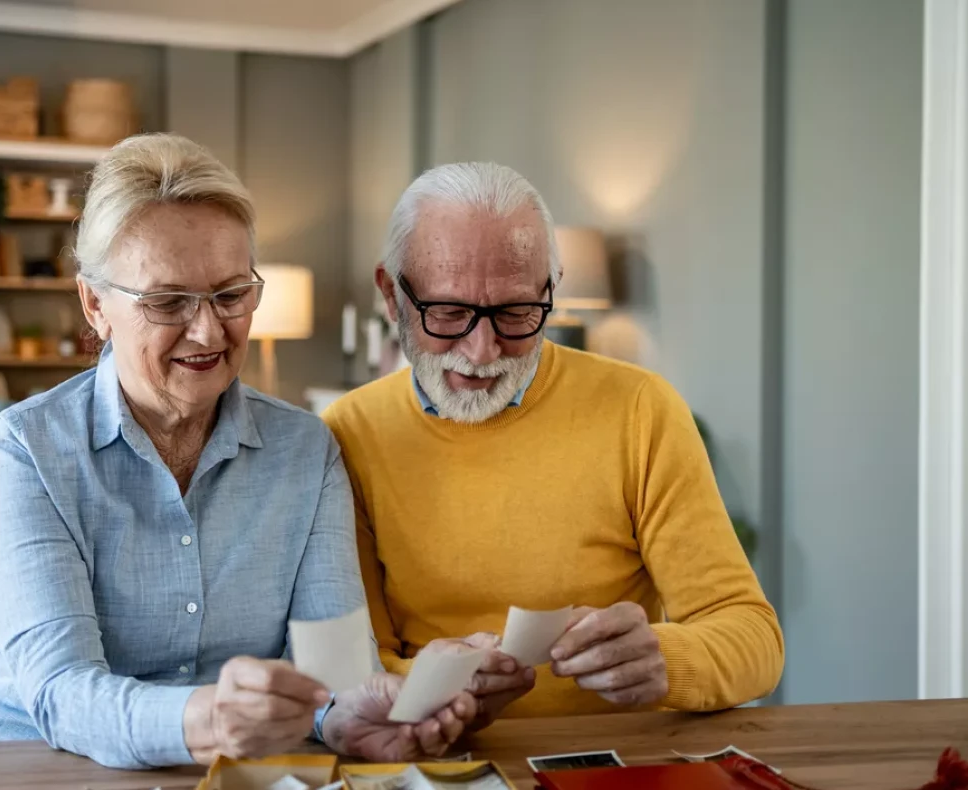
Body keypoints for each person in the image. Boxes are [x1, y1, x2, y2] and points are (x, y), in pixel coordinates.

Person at [0, 134, 474, 768]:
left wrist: (350, 718)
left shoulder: (305, 451)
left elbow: (331, 671)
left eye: (230, 295)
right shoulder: (30, 446)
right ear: (95, 305)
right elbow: (61, 693)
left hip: (200, 771)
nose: (206, 332)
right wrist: (209, 717)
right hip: (0, 758)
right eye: (167, 302)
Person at [322, 162, 785, 729]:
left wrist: (668, 658)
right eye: (448, 312)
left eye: (517, 312)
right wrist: (430, 684)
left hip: (613, 757)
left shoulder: (640, 409)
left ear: (552, 289)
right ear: (392, 296)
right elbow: (355, 664)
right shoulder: (348, 432)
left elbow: (754, 638)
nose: (482, 350)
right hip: (432, 753)